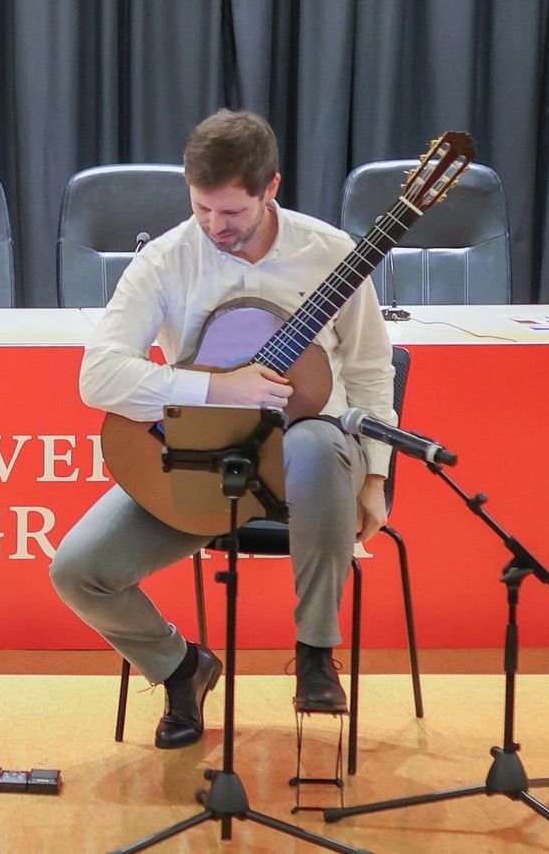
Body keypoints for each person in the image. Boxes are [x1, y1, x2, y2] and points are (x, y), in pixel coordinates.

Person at [50, 109, 395, 748]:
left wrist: (375, 476)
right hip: (205, 461)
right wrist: (215, 388)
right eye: (202, 208)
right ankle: (182, 667)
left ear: (272, 189)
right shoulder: (166, 260)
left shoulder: (329, 254)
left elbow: (372, 374)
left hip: (311, 471)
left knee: (316, 440)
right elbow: (98, 378)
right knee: (78, 571)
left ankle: (316, 652)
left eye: (232, 212)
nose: (214, 226)